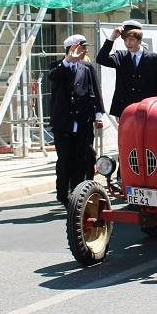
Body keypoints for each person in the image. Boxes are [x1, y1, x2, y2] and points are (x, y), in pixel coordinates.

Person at [49, 35, 105, 206]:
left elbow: (95, 91)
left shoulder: (87, 67)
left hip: (83, 120)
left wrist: (98, 115)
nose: (85, 51)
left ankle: (77, 193)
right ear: (71, 48)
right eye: (82, 47)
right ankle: (62, 193)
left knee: (81, 158)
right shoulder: (58, 66)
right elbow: (54, 76)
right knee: (65, 158)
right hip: (63, 122)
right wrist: (67, 60)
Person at [96, 20, 157, 119]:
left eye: (131, 39)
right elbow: (101, 59)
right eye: (125, 40)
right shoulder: (121, 56)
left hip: (148, 109)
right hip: (125, 109)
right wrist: (112, 38)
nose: (128, 43)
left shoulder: (153, 57)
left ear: (140, 40)